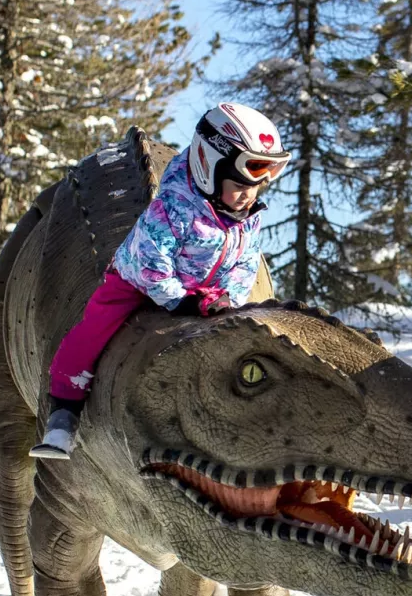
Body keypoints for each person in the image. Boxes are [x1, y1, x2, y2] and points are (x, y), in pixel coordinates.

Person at [30, 102, 289, 459]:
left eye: (257, 188)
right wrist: (181, 301)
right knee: (94, 329)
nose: (249, 196)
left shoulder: (247, 217)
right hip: (139, 282)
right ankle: (63, 412)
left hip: (202, 289)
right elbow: (150, 266)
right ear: (209, 168)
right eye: (240, 185)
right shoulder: (172, 208)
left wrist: (229, 298)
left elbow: (244, 263)